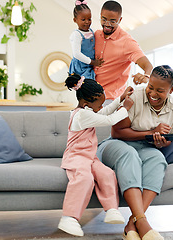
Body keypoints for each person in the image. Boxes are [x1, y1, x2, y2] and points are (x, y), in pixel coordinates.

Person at [97, 65, 173, 240]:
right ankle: (143, 223)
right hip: (115, 144)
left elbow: (167, 140)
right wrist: (151, 133)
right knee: (129, 155)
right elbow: (117, 132)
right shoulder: (135, 97)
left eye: (160, 90)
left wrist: (161, 141)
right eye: (150, 87)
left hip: (146, 148)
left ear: (171, 89)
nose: (152, 93)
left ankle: (132, 224)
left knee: (158, 159)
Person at [58, 73, 134, 237]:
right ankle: (69, 217)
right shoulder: (82, 115)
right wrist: (125, 108)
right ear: (86, 103)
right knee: (84, 179)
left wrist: (120, 99)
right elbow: (108, 120)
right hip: (76, 157)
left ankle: (112, 209)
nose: (100, 107)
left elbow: (104, 112)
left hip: (89, 157)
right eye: (98, 105)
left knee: (107, 174)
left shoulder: (87, 111)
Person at [94, 0, 153, 101]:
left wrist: (146, 76)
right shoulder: (96, 35)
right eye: (104, 19)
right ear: (100, 16)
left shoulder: (127, 42)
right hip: (90, 96)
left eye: (112, 21)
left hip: (110, 99)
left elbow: (148, 65)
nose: (107, 24)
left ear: (120, 20)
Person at [68, 0, 104, 80]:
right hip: (80, 66)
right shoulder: (77, 34)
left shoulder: (91, 31)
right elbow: (76, 54)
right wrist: (93, 62)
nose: (87, 22)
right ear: (75, 20)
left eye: (89, 19)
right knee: (84, 85)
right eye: (83, 20)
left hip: (89, 65)